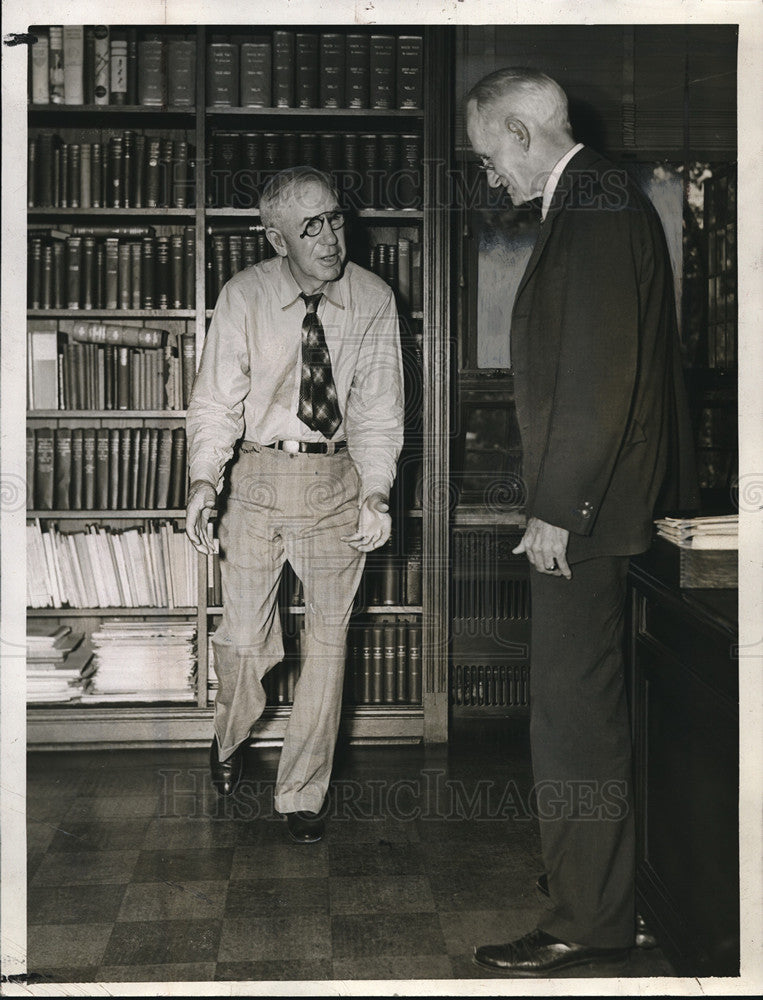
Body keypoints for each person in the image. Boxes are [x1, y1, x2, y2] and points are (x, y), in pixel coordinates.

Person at [465, 68, 697, 975]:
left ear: (523, 134)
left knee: (571, 722)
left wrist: (559, 510)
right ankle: (602, 898)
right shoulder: (602, 198)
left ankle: (587, 921)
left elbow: (599, 382)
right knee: (595, 716)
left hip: (588, 518)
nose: (491, 179)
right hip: (607, 507)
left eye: (490, 158)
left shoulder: (593, 204)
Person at [185, 165, 404, 844]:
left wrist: (375, 491)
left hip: (335, 483)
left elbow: (377, 410)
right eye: (310, 225)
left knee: (329, 646)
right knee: (246, 643)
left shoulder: (372, 299)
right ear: (276, 238)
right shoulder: (243, 297)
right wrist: (202, 481)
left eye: (335, 217)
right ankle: (230, 734)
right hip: (254, 481)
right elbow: (217, 402)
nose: (330, 235)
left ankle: (301, 793)